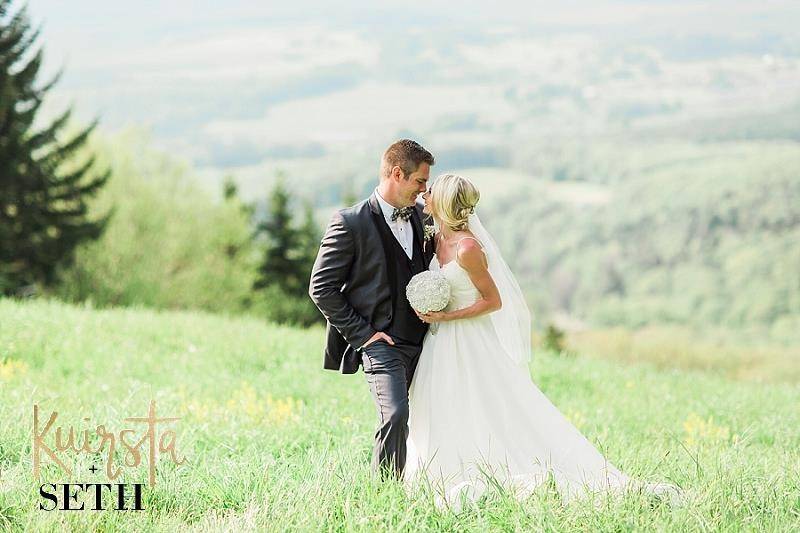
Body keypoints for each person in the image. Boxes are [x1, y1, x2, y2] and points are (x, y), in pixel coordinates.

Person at [405, 173, 682, 510]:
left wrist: (448, 317)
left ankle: (493, 465)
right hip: (440, 342)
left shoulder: (467, 247)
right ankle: (441, 469)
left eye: (431, 191)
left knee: (481, 401)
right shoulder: (436, 240)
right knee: (444, 402)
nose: (425, 194)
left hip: (469, 338)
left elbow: (493, 301)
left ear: (445, 201)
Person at [308, 139, 436, 479]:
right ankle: (385, 495)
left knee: (435, 414)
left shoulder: (425, 217)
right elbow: (321, 288)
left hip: (427, 339)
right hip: (381, 343)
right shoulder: (350, 222)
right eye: (420, 182)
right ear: (397, 173)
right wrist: (365, 336)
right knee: (394, 415)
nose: (425, 191)